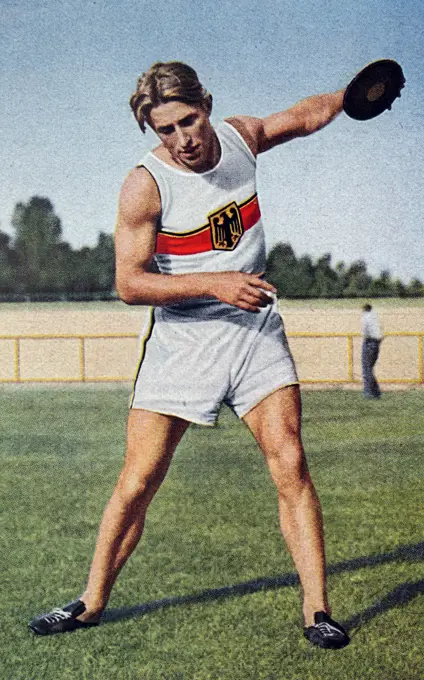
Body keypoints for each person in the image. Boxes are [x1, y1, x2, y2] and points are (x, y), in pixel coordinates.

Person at [29, 61, 350, 649]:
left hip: (253, 333)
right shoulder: (145, 183)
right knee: (139, 480)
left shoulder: (240, 138)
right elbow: (129, 283)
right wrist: (216, 283)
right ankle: (90, 601)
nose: (183, 140)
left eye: (188, 120)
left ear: (207, 104)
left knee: (291, 462)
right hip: (183, 341)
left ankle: (318, 610)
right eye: (166, 131)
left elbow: (303, 117)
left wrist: (350, 95)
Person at [361, 303, 383, 398]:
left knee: (367, 369)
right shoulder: (375, 317)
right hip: (376, 343)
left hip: (369, 342)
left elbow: (365, 332)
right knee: (369, 368)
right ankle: (376, 391)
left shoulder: (366, 318)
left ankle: (369, 392)